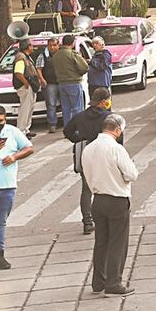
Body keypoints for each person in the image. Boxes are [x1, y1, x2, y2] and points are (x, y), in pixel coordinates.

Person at [81, 113, 137, 296]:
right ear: (118, 130)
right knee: (117, 243)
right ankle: (114, 283)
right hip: (117, 198)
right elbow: (131, 174)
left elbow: (87, 175)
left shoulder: (88, 148)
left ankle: (99, 281)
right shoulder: (116, 149)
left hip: (97, 199)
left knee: (101, 242)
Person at [0, 105, 34, 269]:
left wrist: (14, 157)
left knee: (0, 222)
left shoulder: (12, 131)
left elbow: (29, 148)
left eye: (1, 121)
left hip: (7, 187)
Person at [63, 88, 115, 235]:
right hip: (104, 154)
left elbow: (67, 132)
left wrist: (78, 139)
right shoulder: (109, 117)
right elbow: (118, 138)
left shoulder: (79, 117)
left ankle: (87, 222)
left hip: (86, 154)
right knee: (107, 187)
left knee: (87, 189)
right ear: (104, 101)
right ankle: (106, 220)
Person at [53, 33, 89, 124]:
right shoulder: (72, 54)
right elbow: (84, 67)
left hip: (61, 84)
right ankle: (77, 128)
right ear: (72, 43)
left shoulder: (56, 55)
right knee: (77, 107)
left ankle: (68, 129)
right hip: (73, 83)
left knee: (66, 109)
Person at [11, 39, 40, 139]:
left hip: (30, 86)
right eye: (31, 45)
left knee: (30, 108)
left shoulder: (26, 57)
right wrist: (26, 83)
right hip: (25, 87)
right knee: (25, 109)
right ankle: (21, 132)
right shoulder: (20, 57)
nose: (33, 47)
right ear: (27, 46)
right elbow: (18, 72)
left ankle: (26, 129)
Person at [36, 37, 60, 132]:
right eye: (50, 45)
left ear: (58, 45)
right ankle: (52, 124)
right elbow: (38, 68)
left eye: (55, 45)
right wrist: (42, 79)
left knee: (66, 103)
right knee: (51, 104)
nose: (52, 47)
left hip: (62, 82)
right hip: (50, 84)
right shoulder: (43, 55)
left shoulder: (62, 54)